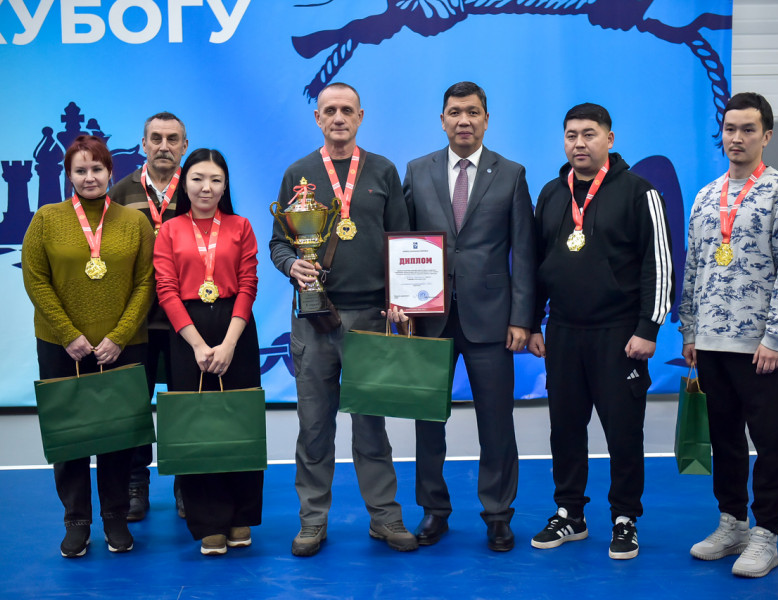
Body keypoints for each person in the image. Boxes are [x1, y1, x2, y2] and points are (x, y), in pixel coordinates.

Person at [270, 82, 417, 557]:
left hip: (370, 318)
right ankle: (312, 521)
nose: (338, 117)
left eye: (347, 110)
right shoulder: (298, 173)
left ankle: (385, 517)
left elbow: (402, 242)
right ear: (317, 118)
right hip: (315, 318)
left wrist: (401, 299)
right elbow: (279, 242)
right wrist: (292, 265)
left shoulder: (383, 171)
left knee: (371, 425)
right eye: (329, 110)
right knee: (314, 427)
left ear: (360, 117)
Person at [528, 103, 674, 560]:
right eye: (571, 135)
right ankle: (570, 512)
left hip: (619, 335)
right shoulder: (551, 194)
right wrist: (532, 322)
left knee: (623, 433)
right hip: (564, 332)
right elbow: (536, 264)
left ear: (609, 139)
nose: (579, 143)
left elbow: (659, 264)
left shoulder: (638, 192)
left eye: (589, 134)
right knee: (565, 429)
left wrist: (648, 328)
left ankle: (625, 517)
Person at [679, 92, 778, 578]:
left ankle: (766, 535)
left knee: (770, 442)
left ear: (767, 136)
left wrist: (776, 338)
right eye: (730, 129)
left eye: (748, 129)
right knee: (725, 440)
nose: (736, 138)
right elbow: (694, 268)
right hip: (711, 344)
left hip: (761, 348)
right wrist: (690, 331)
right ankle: (732, 523)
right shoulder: (705, 196)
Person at [399, 81, 535, 552]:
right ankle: (433, 510)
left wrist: (522, 318)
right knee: (427, 423)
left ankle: (498, 514)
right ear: (442, 120)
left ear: (486, 120)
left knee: (496, 423)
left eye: (473, 112)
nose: (464, 120)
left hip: (492, 319)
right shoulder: (417, 171)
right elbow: (402, 242)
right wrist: (402, 304)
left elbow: (525, 253)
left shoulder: (511, 174)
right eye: (455, 112)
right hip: (429, 318)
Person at [22, 135, 155, 558]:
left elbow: (146, 282)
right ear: (69, 175)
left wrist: (119, 336)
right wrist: (68, 334)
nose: (89, 177)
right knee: (70, 436)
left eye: (97, 169)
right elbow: (35, 280)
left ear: (110, 172)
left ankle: (115, 517)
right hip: (61, 346)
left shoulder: (134, 222)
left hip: (123, 346)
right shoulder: (46, 219)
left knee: (119, 434)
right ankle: (76, 521)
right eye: (80, 170)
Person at [153, 148, 264, 556]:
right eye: (198, 178)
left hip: (236, 329)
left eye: (216, 180)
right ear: (184, 183)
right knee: (196, 426)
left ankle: (240, 515)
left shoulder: (240, 226)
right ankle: (208, 520)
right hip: (188, 335)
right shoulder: (169, 230)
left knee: (239, 421)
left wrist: (230, 343)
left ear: (225, 185)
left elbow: (249, 284)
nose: (206, 187)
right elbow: (166, 289)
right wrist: (198, 345)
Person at [109, 111, 189, 521]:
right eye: (156, 138)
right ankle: (135, 484)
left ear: (184, 146)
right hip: (135, 321)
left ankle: (185, 484)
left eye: (172, 139)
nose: (163, 146)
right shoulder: (121, 191)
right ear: (143, 144)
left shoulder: (196, 188)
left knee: (183, 403)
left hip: (185, 322)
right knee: (134, 407)